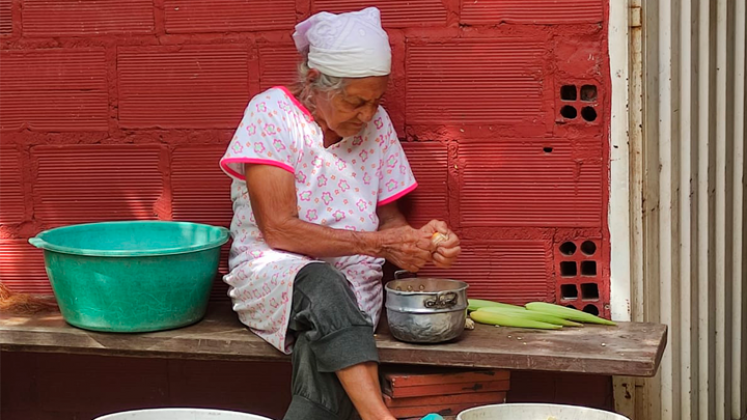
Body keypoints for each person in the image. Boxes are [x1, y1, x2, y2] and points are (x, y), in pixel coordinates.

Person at [219, 7, 461, 420]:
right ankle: (378, 416)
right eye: (355, 102)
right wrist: (380, 245)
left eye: (376, 101)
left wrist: (418, 245)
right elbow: (278, 230)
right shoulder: (271, 115)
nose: (367, 115)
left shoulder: (376, 125)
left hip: (353, 296)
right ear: (314, 82)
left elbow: (391, 224)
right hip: (274, 279)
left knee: (325, 341)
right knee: (322, 283)